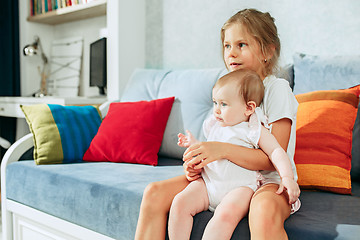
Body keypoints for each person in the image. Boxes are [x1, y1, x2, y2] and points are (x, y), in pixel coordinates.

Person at [135, 8, 300, 239]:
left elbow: (272, 159)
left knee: (262, 210)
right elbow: (214, 142)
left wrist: (221, 150)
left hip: (267, 181)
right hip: (220, 177)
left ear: (268, 51)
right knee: (154, 193)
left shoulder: (277, 89)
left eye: (241, 45)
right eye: (227, 46)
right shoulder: (225, 91)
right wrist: (197, 164)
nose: (232, 53)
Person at [168, 69, 300, 240]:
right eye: (215, 102)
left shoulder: (253, 129)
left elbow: (276, 151)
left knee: (224, 216)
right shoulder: (215, 125)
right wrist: (193, 144)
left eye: (223, 104)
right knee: (179, 203)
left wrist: (287, 177)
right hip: (209, 184)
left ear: (248, 108)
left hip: (240, 189)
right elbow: (208, 150)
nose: (216, 110)